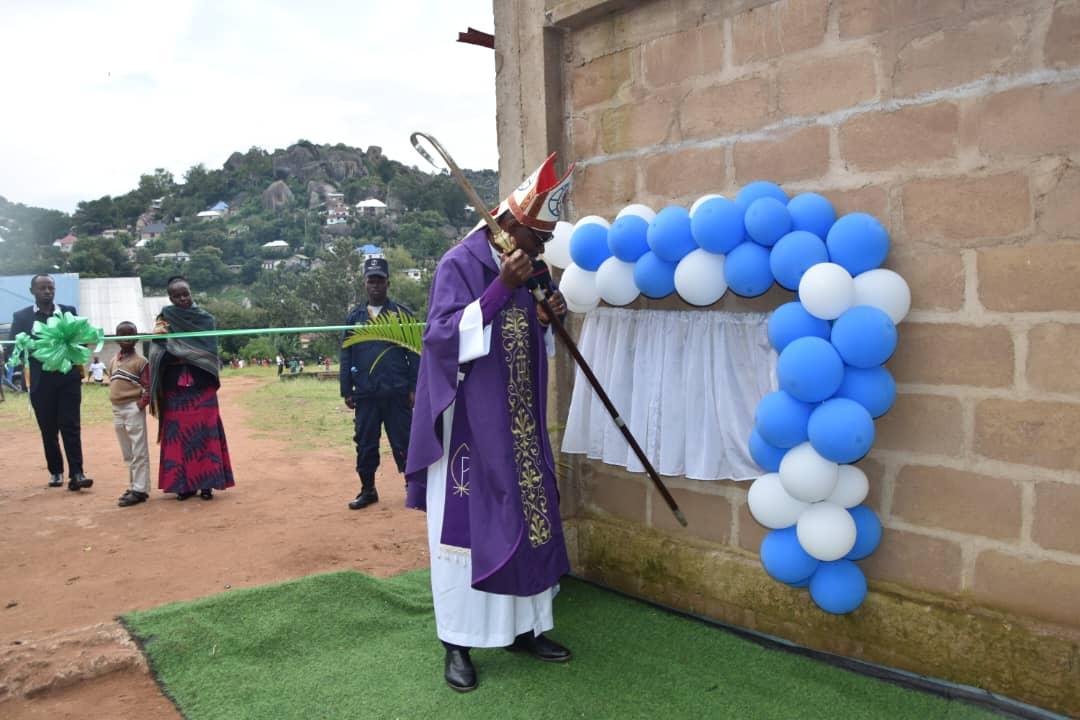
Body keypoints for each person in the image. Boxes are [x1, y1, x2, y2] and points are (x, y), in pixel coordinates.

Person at [404, 153, 573, 692]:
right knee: (468, 536)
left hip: (520, 426)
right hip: (471, 432)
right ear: (508, 223)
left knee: (531, 522)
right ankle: (457, 643)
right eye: (536, 237)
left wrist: (547, 317)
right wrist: (499, 288)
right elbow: (440, 338)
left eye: (545, 242)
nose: (541, 249)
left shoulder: (528, 268)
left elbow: (525, 344)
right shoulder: (461, 262)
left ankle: (527, 627)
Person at [340, 257, 419, 510]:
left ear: (388, 283)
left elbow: (415, 354)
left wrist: (414, 387)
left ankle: (413, 488)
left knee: (404, 441)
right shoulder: (355, 318)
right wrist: (346, 389)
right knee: (365, 442)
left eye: (380, 281)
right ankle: (368, 489)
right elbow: (346, 353)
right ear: (365, 284)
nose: (375, 285)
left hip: (396, 392)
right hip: (366, 394)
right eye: (371, 281)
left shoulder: (402, 315)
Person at [149, 276, 235, 501]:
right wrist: (175, 349)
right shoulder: (164, 318)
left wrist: (180, 349)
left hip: (201, 385)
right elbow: (158, 347)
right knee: (179, 436)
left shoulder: (205, 319)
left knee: (205, 433)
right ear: (170, 297)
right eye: (176, 296)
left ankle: (207, 484)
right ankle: (183, 485)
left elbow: (209, 351)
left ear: (191, 292)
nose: (182, 299)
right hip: (175, 387)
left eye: (185, 293)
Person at [8, 274, 94, 491]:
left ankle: (77, 473)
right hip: (40, 381)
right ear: (32, 291)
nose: (47, 291)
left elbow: (81, 340)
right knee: (48, 428)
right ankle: (56, 471)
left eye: (50, 288)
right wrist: (36, 349)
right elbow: (12, 349)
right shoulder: (22, 317)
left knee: (71, 425)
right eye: (42, 288)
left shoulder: (68, 311)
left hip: (68, 380)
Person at [109, 322, 152, 507]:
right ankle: (134, 485)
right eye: (122, 334)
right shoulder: (113, 360)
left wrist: (140, 404)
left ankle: (140, 489)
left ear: (136, 337)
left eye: (130, 334)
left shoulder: (141, 361)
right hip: (117, 410)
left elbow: (149, 386)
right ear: (116, 337)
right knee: (127, 451)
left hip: (132, 408)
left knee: (139, 450)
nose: (126, 338)